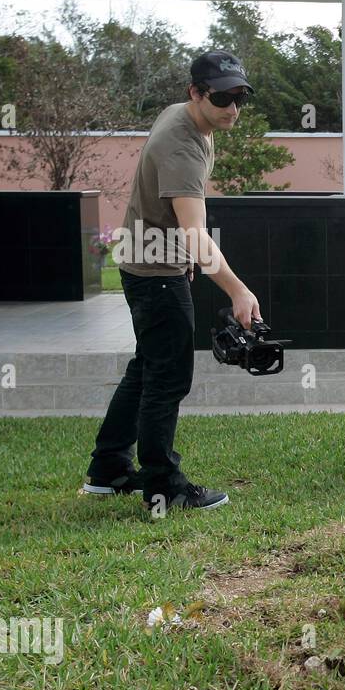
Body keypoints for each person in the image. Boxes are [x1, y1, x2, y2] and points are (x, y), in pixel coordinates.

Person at [82, 51, 262, 512]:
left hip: (148, 261)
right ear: (195, 93)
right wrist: (238, 290)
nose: (233, 108)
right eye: (222, 97)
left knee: (147, 369)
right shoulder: (180, 144)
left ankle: (108, 469)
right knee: (168, 378)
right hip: (155, 274)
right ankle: (163, 486)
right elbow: (197, 236)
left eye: (240, 96)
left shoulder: (189, 120)